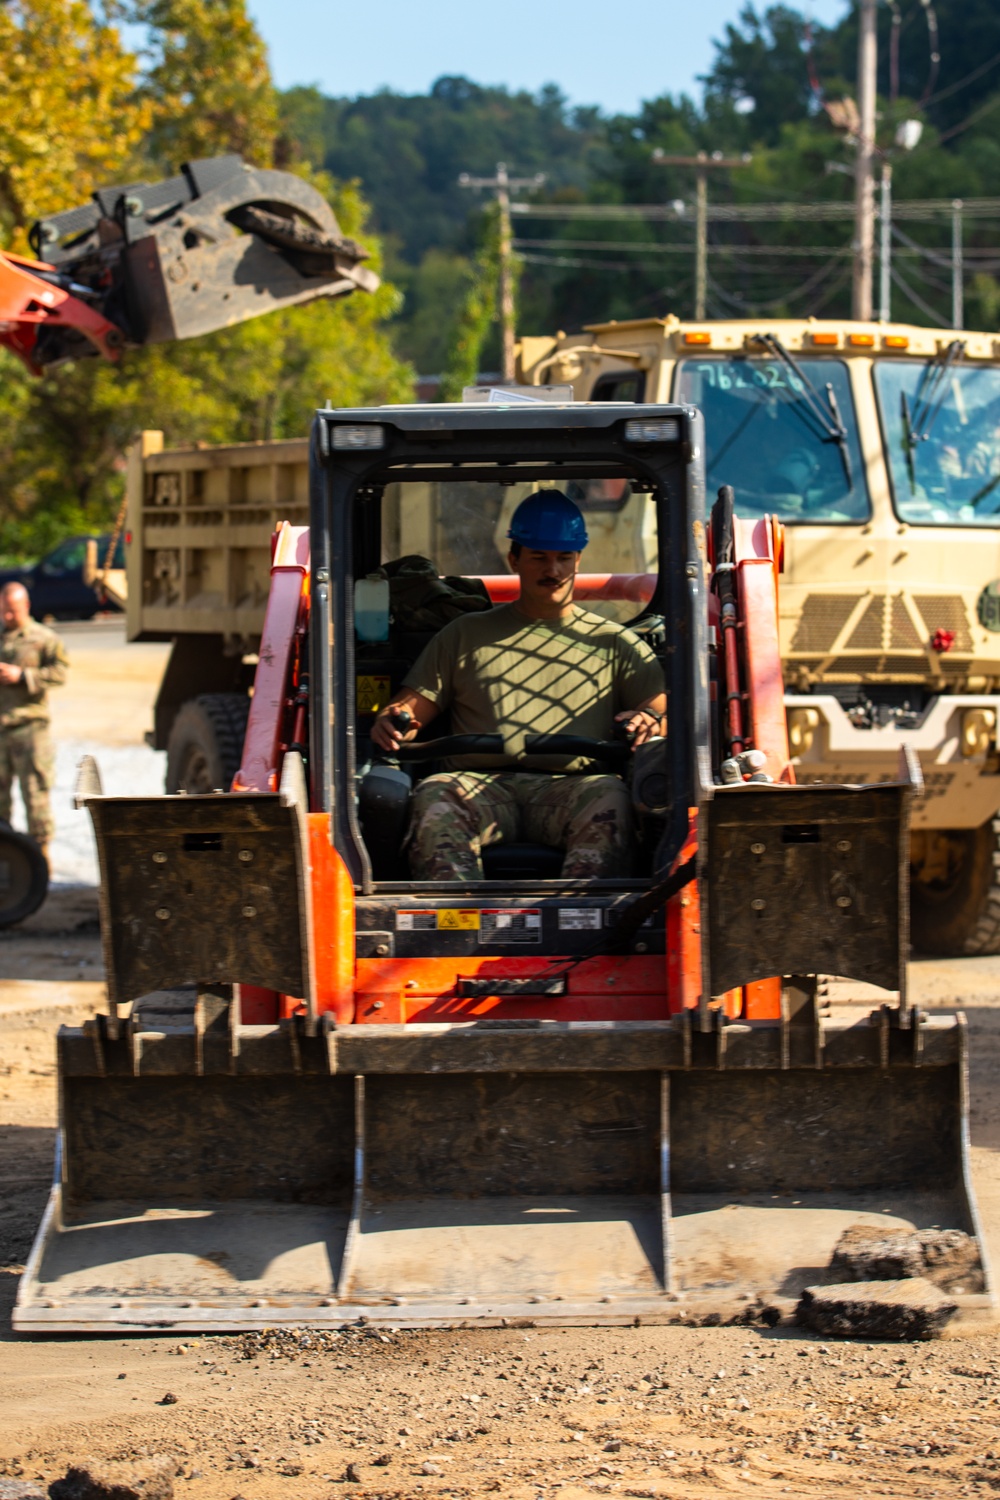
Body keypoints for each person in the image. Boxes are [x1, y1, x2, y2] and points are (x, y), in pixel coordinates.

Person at [371, 490, 666, 881]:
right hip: (479, 786)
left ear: (578, 559)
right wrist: (393, 719)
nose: (554, 570)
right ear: (515, 559)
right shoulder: (464, 634)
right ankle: (456, 925)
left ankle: (583, 925)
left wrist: (648, 718)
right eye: (539, 557)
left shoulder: (615, 643)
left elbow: (658, 708)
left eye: (564, 558)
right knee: (436, 794)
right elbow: (410, 707)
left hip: (574, 788)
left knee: (611, 798)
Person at [0, 582, 69, 864]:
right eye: (3, 611)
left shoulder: (44, 638)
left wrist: (23, 676)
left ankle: (41, 862)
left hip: (30, 729)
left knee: (35, 798)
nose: (7, 617)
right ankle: (7, 866)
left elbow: (60, 674)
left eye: (12, 612)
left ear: (26, 607)